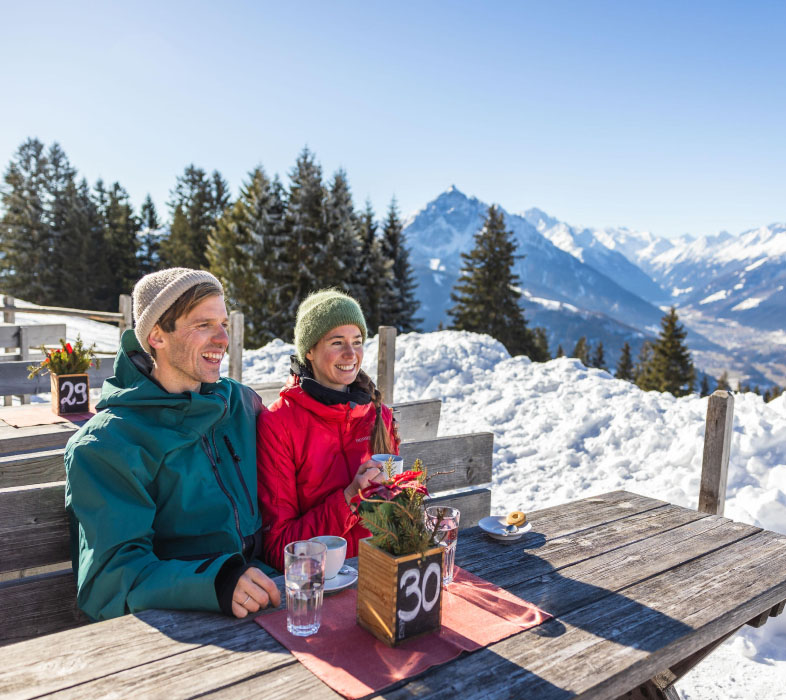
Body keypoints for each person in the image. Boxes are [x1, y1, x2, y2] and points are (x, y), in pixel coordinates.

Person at [65, 268, 280, 621]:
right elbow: (111, 581)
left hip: (265, 591)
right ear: (156, 336)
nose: (223, 338)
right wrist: (218, 582)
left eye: (223, 323)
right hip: (183, 621)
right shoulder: (106, 445)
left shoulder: (239, 404)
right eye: (203, 325)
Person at [257, 289, 399, 571]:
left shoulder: (377, 414)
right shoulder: (279, 425)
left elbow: (394, 511)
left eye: (357, 342)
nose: (351, 354)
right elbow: (279, 549)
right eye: (337, 342)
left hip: (381, 572)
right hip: (321, 584)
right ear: (308, 350)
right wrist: (348, 500)